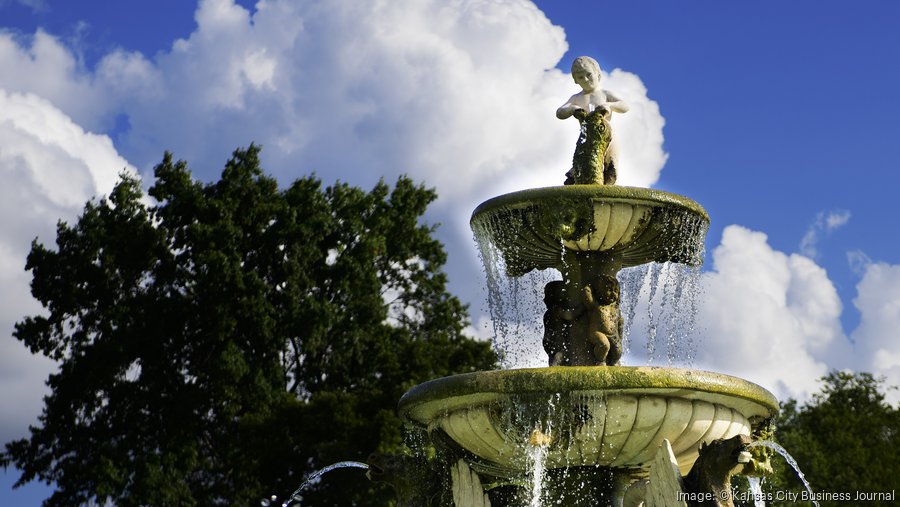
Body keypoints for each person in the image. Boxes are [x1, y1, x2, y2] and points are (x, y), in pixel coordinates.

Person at [556, 56, 629, 185]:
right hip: (586, 138)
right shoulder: (576, 98)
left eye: (589, 75)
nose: (585, 79)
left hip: (608, 137)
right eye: (580, 77)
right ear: (575, 81)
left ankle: (608, 197)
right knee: (583, 166)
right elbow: (560, 112)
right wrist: (573, 108)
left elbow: (624, 106)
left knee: (611, 169)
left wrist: (610, 105)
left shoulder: (604, 94)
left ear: (597, 74)